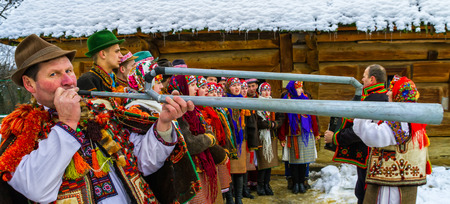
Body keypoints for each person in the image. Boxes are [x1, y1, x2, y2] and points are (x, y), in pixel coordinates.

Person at [0, 34, 193, 203]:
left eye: (68, 71)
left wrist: (164, 124)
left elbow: (141, 163)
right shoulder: (21, 129)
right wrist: (67, 125)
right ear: (29, 84)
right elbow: (36, 189)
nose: (68, 81)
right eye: (53, 74)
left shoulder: (99, 111)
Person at [352, 75, 431, 204]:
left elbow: (372, 136)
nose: (388, 93)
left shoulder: (401, 120)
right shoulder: (411, 115)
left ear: (399, 95)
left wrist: (362, 115)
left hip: (392, 186)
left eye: (391, 90)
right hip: (397, 182)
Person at [324, 64, 389, 204]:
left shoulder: (373, 100)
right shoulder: (379, 96)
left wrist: (335, 138)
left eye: (364, 76)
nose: (362, 79)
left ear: (372, 79)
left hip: (369, 156)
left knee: (365, 192)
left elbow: (359, 131)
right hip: (371, 155)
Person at [168, 72, 228, 204]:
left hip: (204, 165)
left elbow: (206, 129)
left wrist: (207, 137)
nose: (196, 88)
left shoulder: (194, 111)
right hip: (192, 169)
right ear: (182, 88)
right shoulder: (178, 113)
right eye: (193, 85)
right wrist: (209, 139)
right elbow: (191, 144)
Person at [278, 81, 319, 194]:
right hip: (292, 134)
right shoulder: (286, 101)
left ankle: (302, 182)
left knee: (304, 161)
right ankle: (296, 183)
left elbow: (313, 117)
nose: (301, 90)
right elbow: (283, 119)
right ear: (292, 89)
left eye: (301, 88)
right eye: (298, 88)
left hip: (306, 134)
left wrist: (316, 133)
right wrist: (282, 137)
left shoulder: (306, 99)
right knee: (295, 161)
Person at [255, 82, 283, 196]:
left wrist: (274, 124)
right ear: (260, 91)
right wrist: (269, 124)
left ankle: (267, 184)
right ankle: (260, 185)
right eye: (264, 90)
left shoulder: (273, 104)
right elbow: (258, 121)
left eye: (268, 90)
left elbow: (280, 118)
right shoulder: (257, 104)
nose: (266, 93)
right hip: (262, 137)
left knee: (270, 162)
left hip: (272, 137)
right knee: (263, 162)